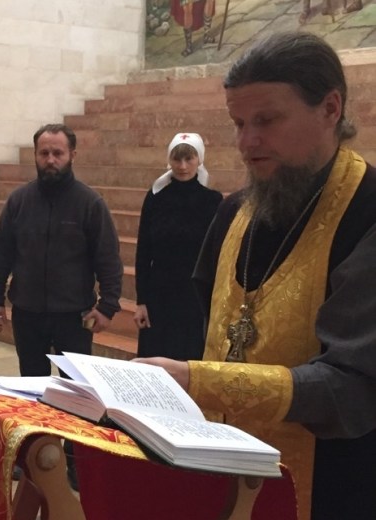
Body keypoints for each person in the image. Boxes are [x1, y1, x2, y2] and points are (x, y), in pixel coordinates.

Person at [136, 32, 376, 520]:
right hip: (225, 471)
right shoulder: (233, 212)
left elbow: (352, 386)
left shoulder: (367, 212)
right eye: (239, 124)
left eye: (266, 121)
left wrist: (202, 380)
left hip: (332, 484)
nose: (247, 143)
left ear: (330, 108)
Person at [0, 123, 123, 377]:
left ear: (72, 155)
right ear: (35, 155)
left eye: (58, 153)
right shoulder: (18, 201)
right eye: (44, 153)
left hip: (74, 316)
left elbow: (108, 258)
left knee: (76, 388)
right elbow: (1, 254)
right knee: (31, 385)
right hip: (27, 314)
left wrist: (107, 307)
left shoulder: (90, 203)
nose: (50, 160)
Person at [133, 132, 222, 360]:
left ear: (199, 159)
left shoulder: (213, 201)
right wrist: (141, 301)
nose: (182, 166)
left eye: (189, 159)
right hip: (159, 295)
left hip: (194, 296)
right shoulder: (155, 198)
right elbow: (143, 251)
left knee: (188, 360)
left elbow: (217, 253)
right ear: (169, 160)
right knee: (154, 360)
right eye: (177, 159)